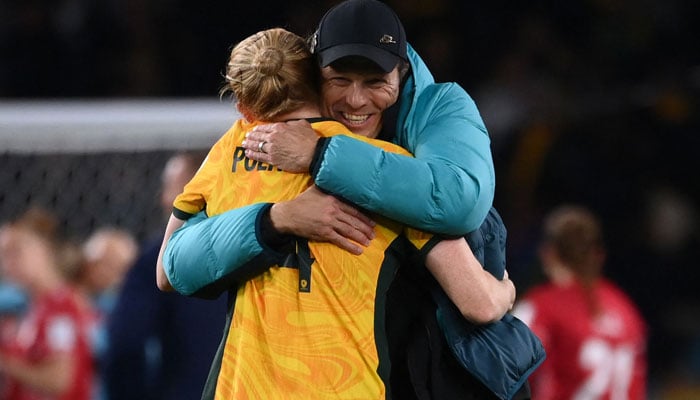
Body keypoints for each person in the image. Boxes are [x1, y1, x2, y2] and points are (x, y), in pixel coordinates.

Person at [157, 27, 517, 399]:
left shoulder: (232, 151)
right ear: (316, 78)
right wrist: (506, 290)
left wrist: (272, 219)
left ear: (243, 107)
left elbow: (166, 272)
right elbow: (479, 303)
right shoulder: (388, 170)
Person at [103, 152, 228, 400]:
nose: (162, 198)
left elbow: (125, 342)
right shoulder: (257, 247)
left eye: (171, 188)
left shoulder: (158, 258)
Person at [512, 205, 648, 399]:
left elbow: (501, 370)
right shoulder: (626, 310)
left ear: (547, 252)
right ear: (597, 256)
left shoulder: (541, 307)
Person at [0, 208, 95, 400]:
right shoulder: (33, 305)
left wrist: (4, 363)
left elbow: (59, 380)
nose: (6, 263)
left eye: (15, 251)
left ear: (44, 250)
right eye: (3, 254)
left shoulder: (61, 308)